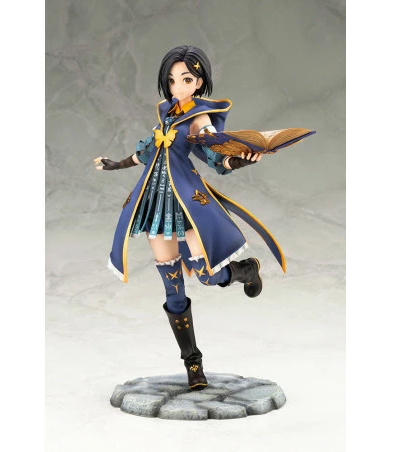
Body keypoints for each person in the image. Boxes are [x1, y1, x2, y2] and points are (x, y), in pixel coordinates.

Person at [95, 45, 285, 391]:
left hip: (188, 204)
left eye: (185, 79)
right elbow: (146, 151)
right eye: (171, 80)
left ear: (198, 82)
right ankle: (192, 363)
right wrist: (116, 164)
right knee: (172, 288)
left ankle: (244, 271)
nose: (176, 87)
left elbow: (213, 153)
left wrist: (237, 159)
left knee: (206, 275)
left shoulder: (199, 118)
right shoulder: (166, 114)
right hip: (156, 204)